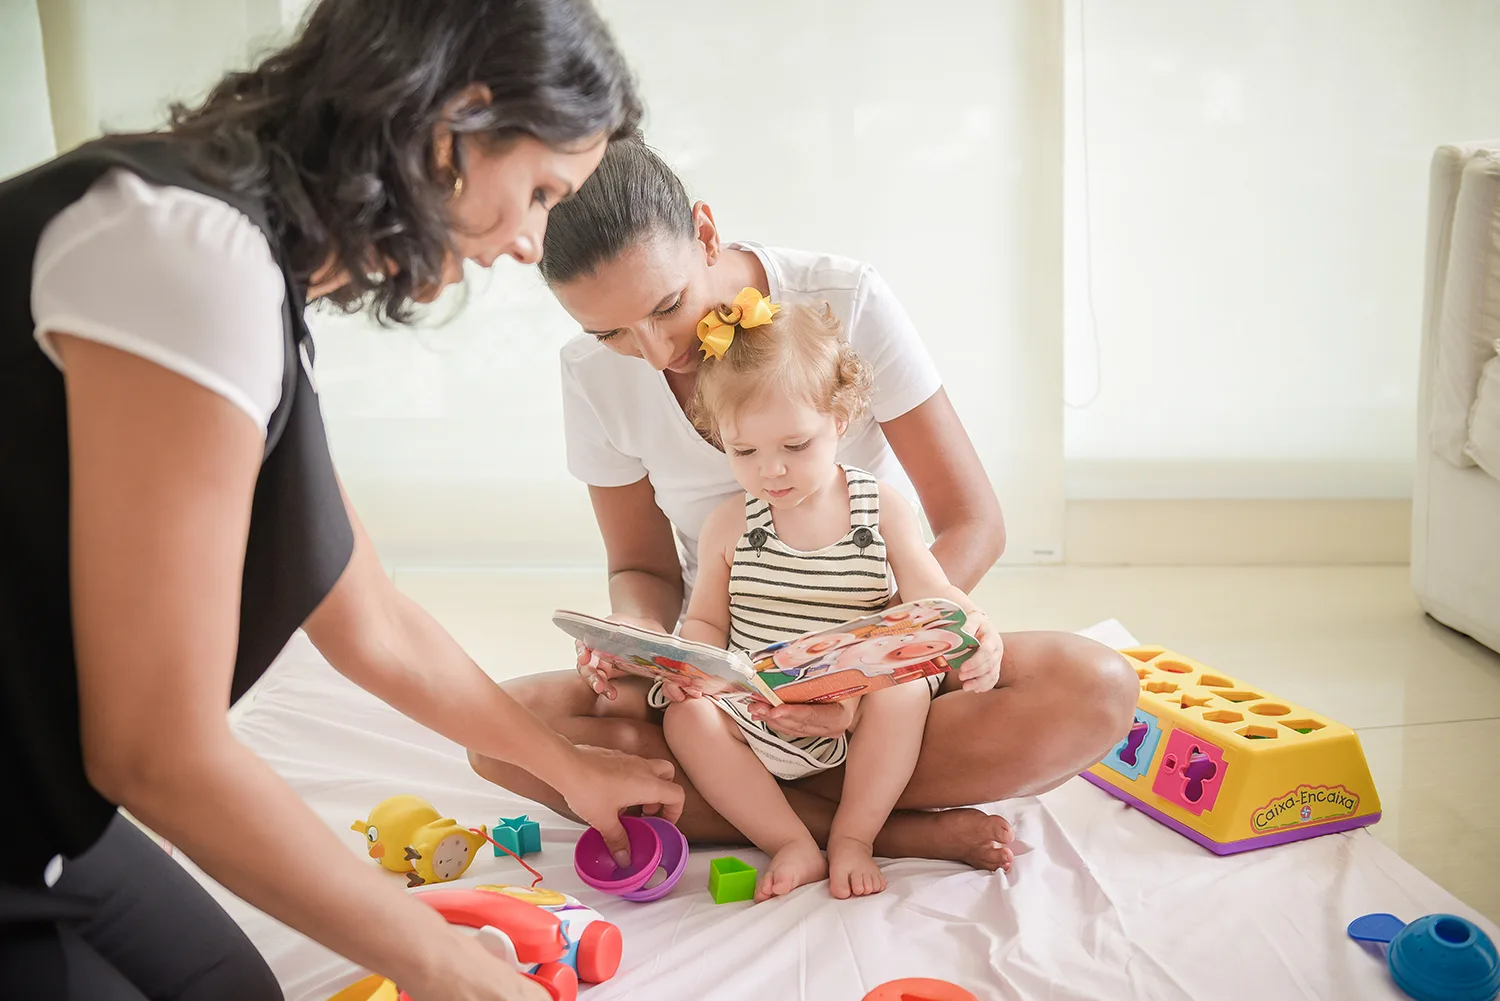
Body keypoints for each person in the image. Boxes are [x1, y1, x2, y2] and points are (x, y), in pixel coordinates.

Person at [0, 3, 682, 1000]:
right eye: (538, 190)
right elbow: (156, 749)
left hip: (43, 803)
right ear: (456, 122)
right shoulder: (183, 254)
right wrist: (448, 963)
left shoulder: (246, 266)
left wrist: (566, 766)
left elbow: (372, 618)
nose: (533, 244)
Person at [468, 134, 1141, 867]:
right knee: (504, 734)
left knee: (1093, 686)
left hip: (879, 648)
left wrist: (858, 666)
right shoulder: (590, 375)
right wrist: (632, 639)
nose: (657, 350)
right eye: (611, 332)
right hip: (729, 671)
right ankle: (877, 830)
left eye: (667, 306)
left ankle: (795, 805)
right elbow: (643, 568)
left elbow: (972, 521)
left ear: (705, 232)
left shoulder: (845, 300)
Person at [639, 292, 1006, 901]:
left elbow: (930, 595)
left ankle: (855, 837)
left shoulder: (878, 507)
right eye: (745, 452)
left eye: (795, 446)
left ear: (839, 420)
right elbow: (704, 619)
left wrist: (976, 629)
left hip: (856, 709)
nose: (771, 471)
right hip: (755, 710)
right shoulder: (731, 525)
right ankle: (789, 840)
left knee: (907, 688)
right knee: (685, 720)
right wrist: (692, 665)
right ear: (719, 438)